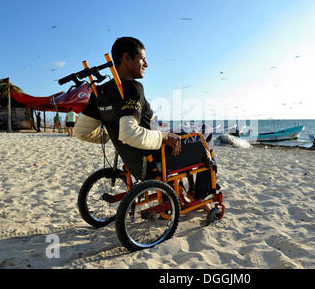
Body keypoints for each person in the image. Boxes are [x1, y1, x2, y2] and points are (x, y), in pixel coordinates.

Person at [74, 37, 214, 209]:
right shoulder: (133, 88)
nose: (146, 64)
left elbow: (81, 132)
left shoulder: (100, 91)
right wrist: (165, 137)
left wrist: (111, 135)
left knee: (187, 131)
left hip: (135, 162)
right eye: (143, 59)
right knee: (205, 133)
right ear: (127, 58)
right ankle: (199, 194)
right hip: (155, 159)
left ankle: (186, 190)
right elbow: (130, 133)